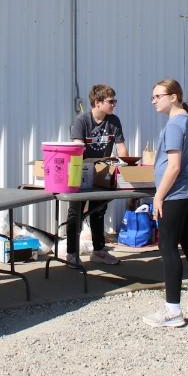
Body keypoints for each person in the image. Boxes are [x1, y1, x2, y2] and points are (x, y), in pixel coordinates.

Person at [142, 79, 188, 328]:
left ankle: (172, 310)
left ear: (173, 97)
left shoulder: (175, 125)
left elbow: (173, 166)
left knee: (168, 248)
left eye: (158, 96)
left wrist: (159, 195)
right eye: (152, 97)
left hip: (176, 193)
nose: (154, 101)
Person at [66, 84, 128, 268]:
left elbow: (122, 148)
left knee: (99, 212)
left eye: (114, 101)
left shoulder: (114, 121)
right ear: (98, 102)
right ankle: (71, 253)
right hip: (81, 173)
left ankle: (99, 251)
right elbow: (77, 148)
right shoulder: (81, 121)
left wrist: (126, 170)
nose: (114, 104)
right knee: (75, 213)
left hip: (102, 173)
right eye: (111, 101)